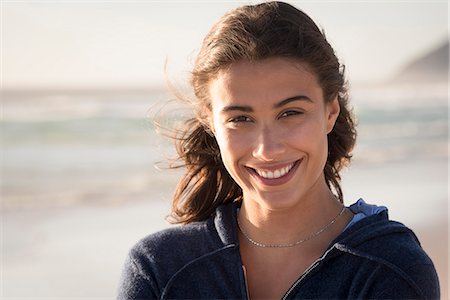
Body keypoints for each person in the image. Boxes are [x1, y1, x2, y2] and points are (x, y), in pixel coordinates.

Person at [117, 2, 440, 299]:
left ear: (330, 111)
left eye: (290, 113)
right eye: (240, 119)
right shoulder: (160, 270)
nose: (267, 149)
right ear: (210, 121)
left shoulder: (389, 269)